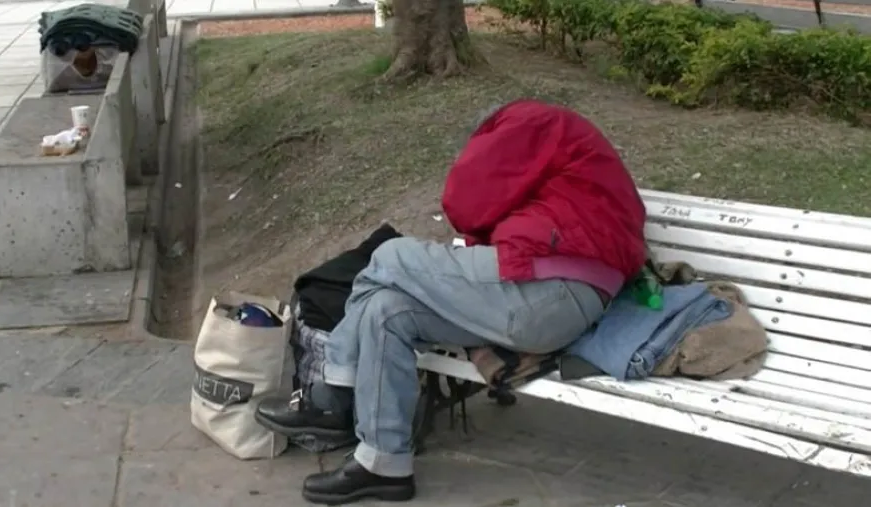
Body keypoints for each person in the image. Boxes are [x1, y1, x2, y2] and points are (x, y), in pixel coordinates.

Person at [256, 99, 647, 505]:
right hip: (548, 301)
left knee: (389, 257)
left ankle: (335, 395)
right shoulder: (568, 158)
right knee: (387, 311)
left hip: (553, 290)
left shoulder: (524, 120)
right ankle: (383, 465)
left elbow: (464, 201)